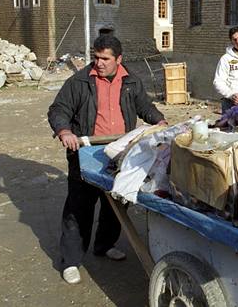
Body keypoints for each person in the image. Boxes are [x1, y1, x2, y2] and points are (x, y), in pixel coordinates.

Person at [48, 35, 166, 284]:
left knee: (116, 201)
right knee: (80, 207)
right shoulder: (80, 81)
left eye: (105, 58)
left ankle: (104, 245)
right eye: (96, 57)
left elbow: (144, 106)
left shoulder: (131, 81)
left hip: (119, 152)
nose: (99, 63)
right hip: (86, 151)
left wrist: (159, 120)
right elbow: (59, 109)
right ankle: (71, 261)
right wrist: (65, 131)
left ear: (118, 59)